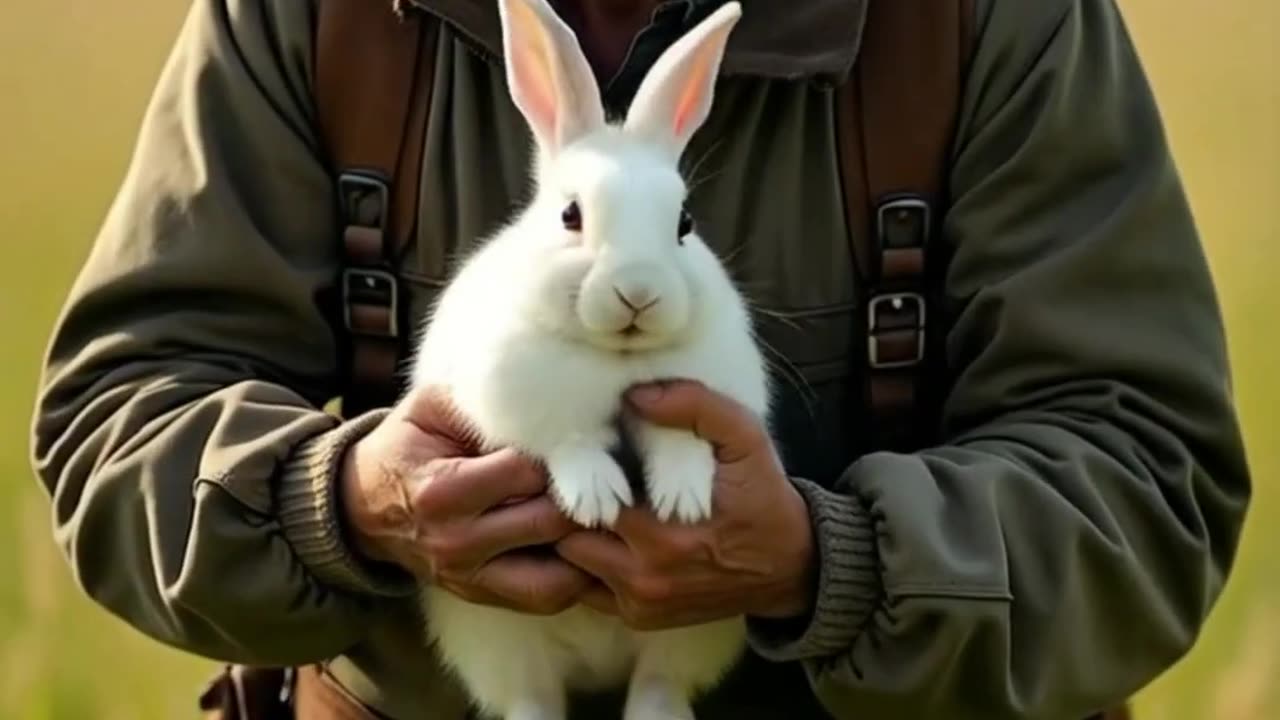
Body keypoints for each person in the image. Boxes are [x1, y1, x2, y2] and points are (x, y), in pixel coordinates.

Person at [29, 0, 1251, 719]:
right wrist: (341, 502)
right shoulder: (313, 17)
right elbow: (121, 417)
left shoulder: (989, 25)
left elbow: (1144, 483)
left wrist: (830, 564)